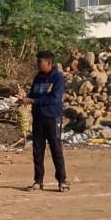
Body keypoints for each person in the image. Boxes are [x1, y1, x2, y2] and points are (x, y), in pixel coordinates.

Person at [20, 50, 68, 192]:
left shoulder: (58, 78)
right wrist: (24, 97)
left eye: (39, 61)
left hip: (52, 118)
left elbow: (54, 98)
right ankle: (38, 180)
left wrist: (33, 101)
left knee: (56, 149)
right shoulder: (38, 78)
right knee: (37, 151)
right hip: (38, 118)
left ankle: (62, 180)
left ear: (48, 62)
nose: (37, 64)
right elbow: (33, 95)